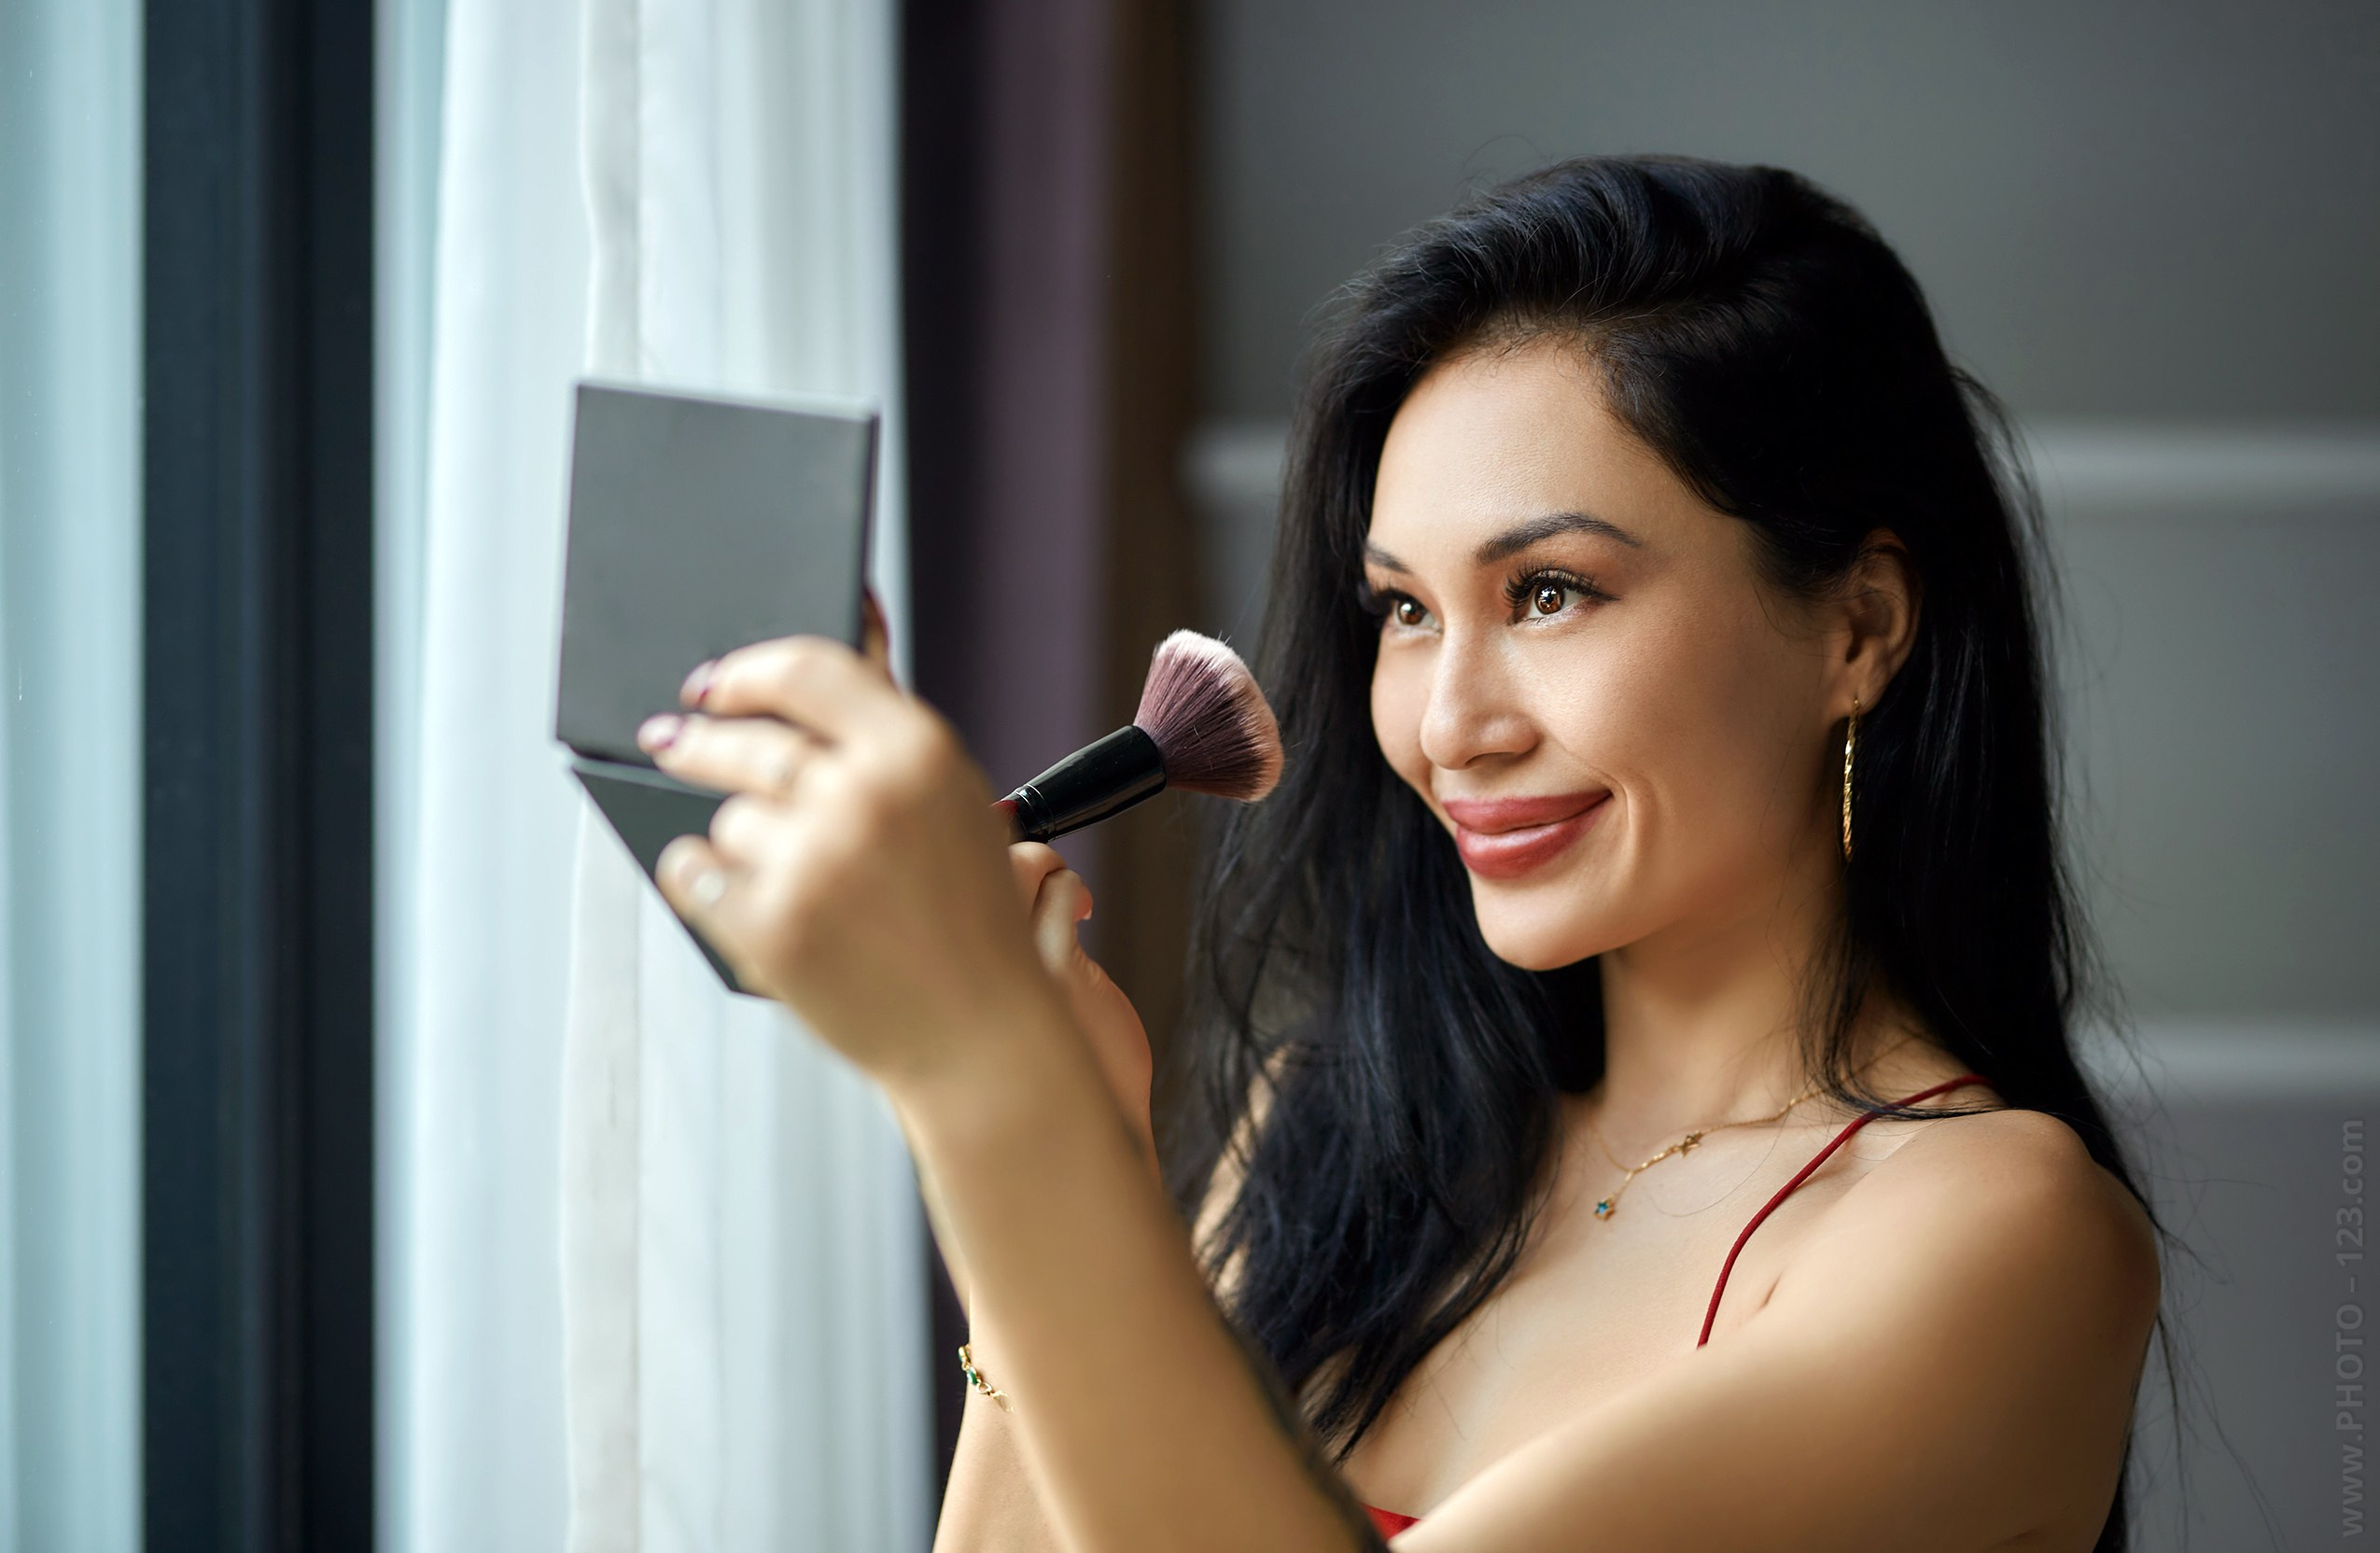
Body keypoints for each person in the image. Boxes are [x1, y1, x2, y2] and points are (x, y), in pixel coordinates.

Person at [632, 156, 2165, 1551]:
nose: (1449, 724)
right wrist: (1070, 1134)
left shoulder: (1994, 1236)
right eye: (1404, 611)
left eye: (1552, 592)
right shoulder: (1329, 1138)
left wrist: (989, 1096)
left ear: (1857, 626)